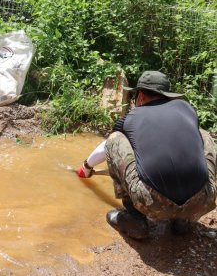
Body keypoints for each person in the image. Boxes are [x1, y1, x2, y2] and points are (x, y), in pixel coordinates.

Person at [77, 71, 216, 240]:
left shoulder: (131, 117)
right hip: (202, 201)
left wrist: (86, 166)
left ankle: (135, 219)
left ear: (141, 95)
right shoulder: (187, 109)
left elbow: (106, 146)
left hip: (153, 204)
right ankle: (182, 221)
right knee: (203, 134)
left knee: (115, 139)